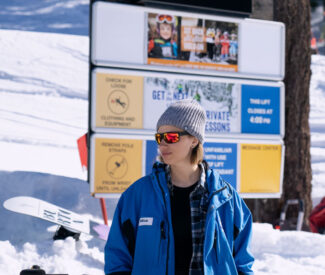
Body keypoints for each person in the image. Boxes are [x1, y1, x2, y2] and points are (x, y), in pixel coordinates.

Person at [104, 99, 254, 275]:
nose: (162, 144)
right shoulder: (138, 195)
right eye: (159, 137)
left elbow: (242, 264)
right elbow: (117, 260)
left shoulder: (226, 199)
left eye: (171, 137)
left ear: (194, 140)